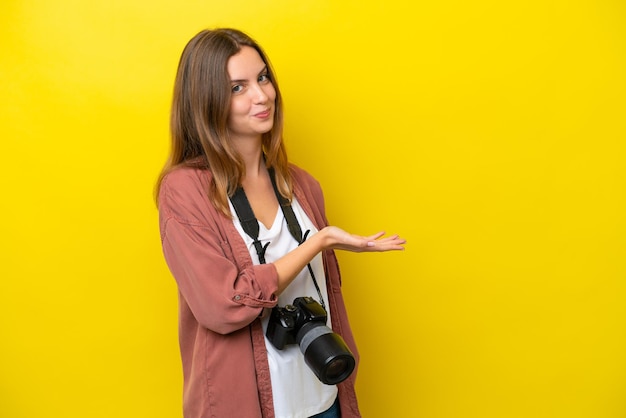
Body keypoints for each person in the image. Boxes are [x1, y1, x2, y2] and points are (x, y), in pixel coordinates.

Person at [156, 28, 406, 418]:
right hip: (248, 405)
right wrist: (317, 242)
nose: (261, 95)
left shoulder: (302, 184)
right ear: (205, 101)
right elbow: (223, 307)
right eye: (237, 88)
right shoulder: (185, 191)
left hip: (325, 396)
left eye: (263, 77)